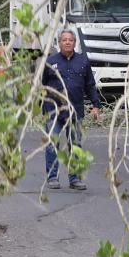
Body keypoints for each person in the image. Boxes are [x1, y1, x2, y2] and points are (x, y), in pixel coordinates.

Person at [42, 30, 103, 190]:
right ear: (59, 43)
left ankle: (74, 179)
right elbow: (43, 85)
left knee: (75, 145)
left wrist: (96, 105)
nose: (67, 42)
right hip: (53, 111)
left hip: (75, 110)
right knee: (52, 144)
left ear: (75, 43)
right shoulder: (50, 61)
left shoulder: (83, 61)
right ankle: (52, 178)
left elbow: (90, 85)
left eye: (70, 40)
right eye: (64, 40)